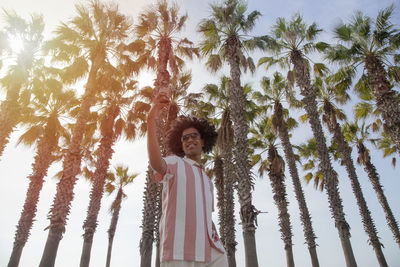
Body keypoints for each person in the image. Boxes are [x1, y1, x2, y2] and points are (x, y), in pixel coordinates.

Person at [147, 92, 228, 267]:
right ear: (180, 144)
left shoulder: (208, 181)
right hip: (179, 250)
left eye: (194, 136)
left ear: (203, 141)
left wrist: (215, 235)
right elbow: (156, 163)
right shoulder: (174, 163)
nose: (189, 140)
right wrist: (150, 120)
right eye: (185, 138)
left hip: (211, 250)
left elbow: (207, 215)